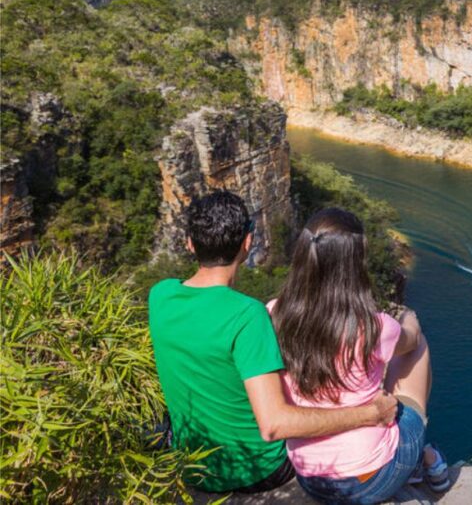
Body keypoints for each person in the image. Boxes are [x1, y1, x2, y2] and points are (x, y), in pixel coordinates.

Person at [148, 191, 398, 494]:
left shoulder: (160, 295)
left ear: (189, 242)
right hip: (256, 470)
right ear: (247, 243)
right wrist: (370, 414)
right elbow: (274, 424)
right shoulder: (247, 315)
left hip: (191, 466)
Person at [269, 207, 450, 505]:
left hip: (310, 478)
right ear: (354, 264)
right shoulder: (373, 326)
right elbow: (412, 338)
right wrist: (406, 315)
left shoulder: (273, 315)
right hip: (373, 478)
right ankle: (423, 457)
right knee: (416, 347)